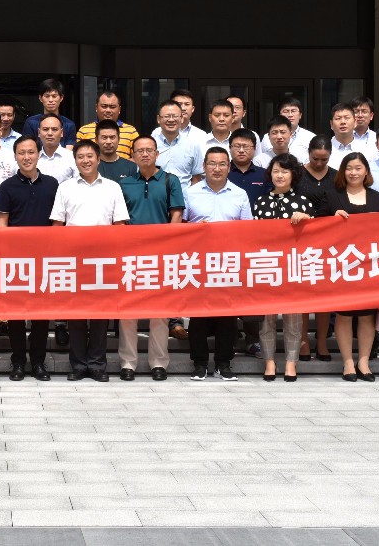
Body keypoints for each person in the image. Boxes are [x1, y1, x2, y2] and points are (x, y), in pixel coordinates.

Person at [50, 139, 129, 382]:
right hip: (73, 260)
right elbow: (57, 225)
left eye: (89, 156)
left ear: (97, 159)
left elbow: (119, 224)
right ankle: (78, 365)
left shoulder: (113, 187)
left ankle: (97, 365)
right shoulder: (65, 187)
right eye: (80, 157)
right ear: (75, 161)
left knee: (99, 315)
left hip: (103, 260)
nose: (85, 160)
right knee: (75, 315)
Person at [116, 136, 184, 382]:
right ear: (132, 155)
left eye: (149, 150)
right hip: (130, 255)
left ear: (157, 154)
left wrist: (165, 244)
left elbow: (176, 214)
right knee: (128, 312)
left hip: (161, 255)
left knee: (160, 312)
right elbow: (120, 218)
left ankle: (158, 362)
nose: (144, 154)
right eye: (140, 151)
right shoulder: (123, 184)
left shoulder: (169, 180)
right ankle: (128, 362)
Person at [183, 147, 252, 382]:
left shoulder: (240, 194)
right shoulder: (190, 193)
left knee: (227, 315)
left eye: (222, 164)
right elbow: (180, 229)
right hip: (198, 264)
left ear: (229, 167)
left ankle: (224, 362)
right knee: (198, 315)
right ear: (204, 166)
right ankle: (200, 363)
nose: (216, 168)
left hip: (228, 263)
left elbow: (248, 231)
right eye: (212, 163)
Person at [0, 135, 59, 380]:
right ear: (15, 156)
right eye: (21, 153)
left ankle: (39, 362)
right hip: (16, 261)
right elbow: (2, 224)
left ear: (38, 154)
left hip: (45, 260)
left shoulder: (52, 184)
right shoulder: (7, 186)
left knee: (41, 315)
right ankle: (18, 362)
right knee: (16, 315)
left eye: (31, 152)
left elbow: (57, 222)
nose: (26, 157)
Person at [320, 152, 379, 382]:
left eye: (358, 168)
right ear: (342, 171)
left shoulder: (378, 198)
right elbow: (316, 229)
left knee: (368, 315)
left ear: (366, 171)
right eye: (349, 168)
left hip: (370, 264)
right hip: (341, 263)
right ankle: (348, 361)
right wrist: (331, 219)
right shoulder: (331, 196)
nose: (354, 172)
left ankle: (364, 361)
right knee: (344, 314)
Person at [250, 153, 313, 382]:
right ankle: (269, 362)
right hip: (266, 266)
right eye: (276, 171)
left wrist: (307, 219)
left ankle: (290, 362)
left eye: (284, 171)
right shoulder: (261, 202)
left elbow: (315, 237)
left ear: (293, 175)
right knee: (267, 319)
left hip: (293, 268)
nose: (279, 175)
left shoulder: (303, 202)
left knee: (293, 319)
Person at [297, 135, 334, 362]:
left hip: (329, 243)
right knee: (302, 296)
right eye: (315, 159)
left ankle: (321, 342)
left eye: (324, 159)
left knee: (324, 298)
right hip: (301, 242)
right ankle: (303, 341)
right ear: (308, 154)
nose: (319, 163)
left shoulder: (337, 175)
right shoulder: (298, 174)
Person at [151, 99, 202, 183]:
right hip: (156, 195)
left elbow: (197, 176)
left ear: (181, 118)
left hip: (184, 195)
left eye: (175, 116)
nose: (171, 120)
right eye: (167, 116)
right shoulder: (151, 144)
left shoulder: (192, 144)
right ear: (158, 119)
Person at [76, 90, 138, 158]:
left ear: (119, 109)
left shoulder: (131, 131)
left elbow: (137, 158)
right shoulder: (83, 131)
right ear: (96, 107)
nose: (108, 110)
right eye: (104, 106)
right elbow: (78, 158)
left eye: (112, 107)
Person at [22, 78, 77, 147]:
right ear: (40, 98)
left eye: (54, 96)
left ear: (61, 98)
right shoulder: (31, 122)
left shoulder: (69, 124)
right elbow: (28, 148)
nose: (50, 100)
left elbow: (69, 152)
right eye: (47, 96)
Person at [257, 97, 314, 163]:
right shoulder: (267, 138)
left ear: (300, 115)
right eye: (286, 111)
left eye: (293, 111)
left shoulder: (310, 137)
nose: (290, 115)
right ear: (279, 115)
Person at [326, 102, 378, 168]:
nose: (343, 122)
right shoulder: (325, 150)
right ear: (331, 124)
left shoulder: (367, 151)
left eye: (347, 118)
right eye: (338, 118)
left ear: (355, 122)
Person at [227, 129, 267, 201]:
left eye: (246, 147)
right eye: (237, 146)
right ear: (230, 148)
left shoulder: (265, 174)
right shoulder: (223, 173)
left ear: (255, 148)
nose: (241, 150)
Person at [36, 115, 78, 183]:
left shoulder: (72, 157)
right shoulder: (33, 159)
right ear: (39, 132)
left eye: (54, 129)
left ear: (61, 133)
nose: (50, 133)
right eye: (45, 129)